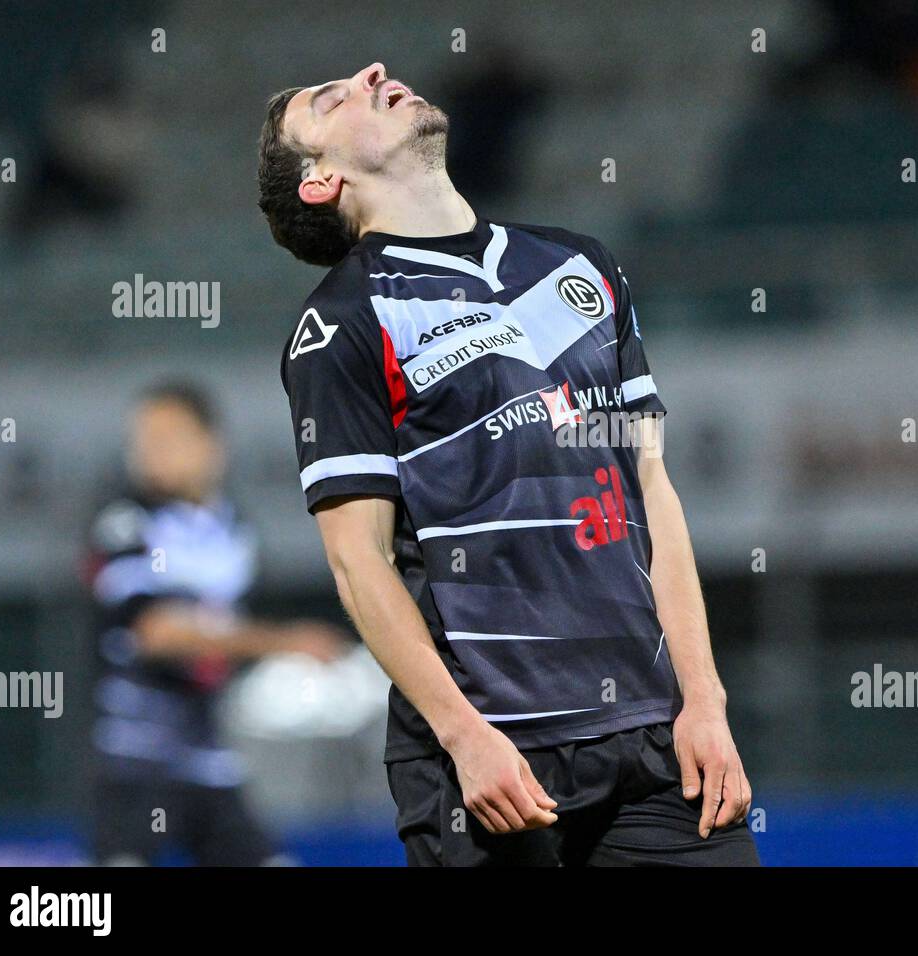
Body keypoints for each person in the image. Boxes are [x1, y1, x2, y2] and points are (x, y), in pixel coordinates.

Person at [258, 63, 758, 865]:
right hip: (492, 765)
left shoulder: (580, 264)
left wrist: (704, 700)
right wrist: (463, 739)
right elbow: (359, 563)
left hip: (657, 745)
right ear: (322, 182)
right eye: (330, 98)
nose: (372, 74)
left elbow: (652, 496)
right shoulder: (344, 324)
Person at [85, 381, 345, 865]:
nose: (149, 454)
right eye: (142, 441)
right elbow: (153, 633)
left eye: (166, 438)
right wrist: (283, 642)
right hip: (133, 758)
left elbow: (222, 641)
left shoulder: (235, 529)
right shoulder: (122, 521)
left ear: (211, 445)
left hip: (207, 755)